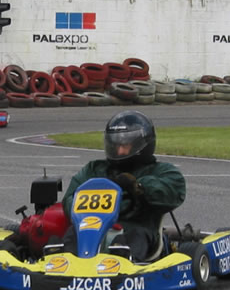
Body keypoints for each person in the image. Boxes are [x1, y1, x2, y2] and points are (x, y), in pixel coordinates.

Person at [60, 110, 186, 262]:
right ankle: (65, 265)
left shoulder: (163, 171)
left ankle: (123, 266)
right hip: (91, 228)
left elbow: (171, 192)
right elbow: (69, 199)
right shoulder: (94, 169)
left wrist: (138, 187)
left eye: (125, 146)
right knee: (71, 234)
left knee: (132, 237)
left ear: (143, 145)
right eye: (115, 145)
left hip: (136, 228)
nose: (119, 151)